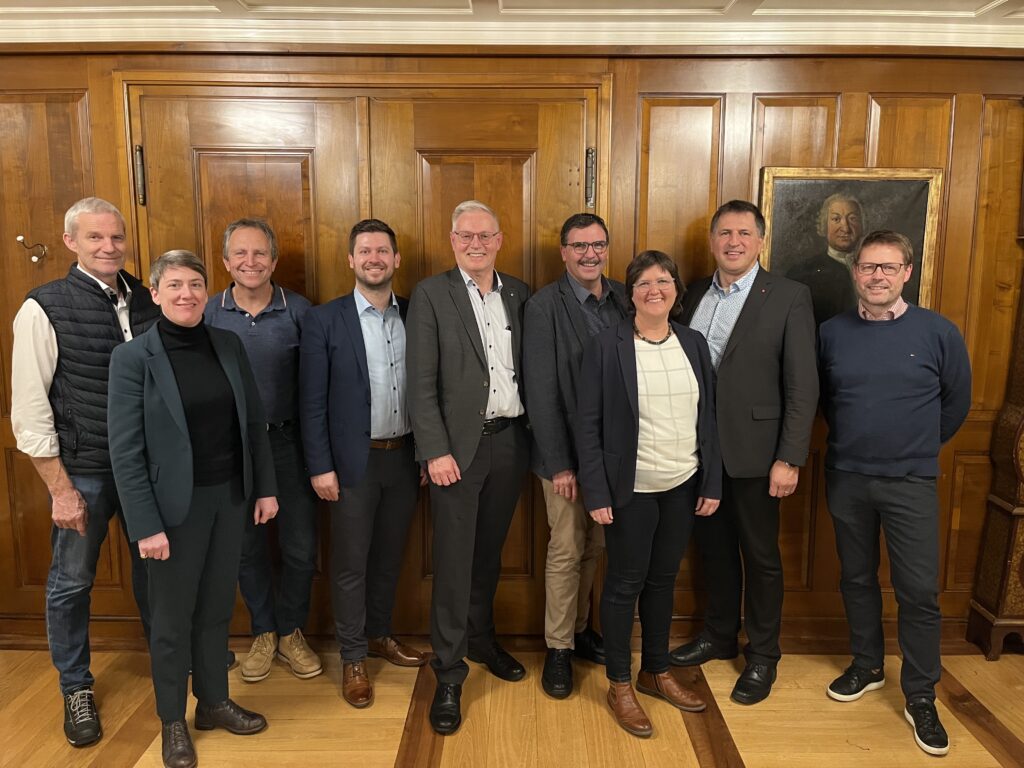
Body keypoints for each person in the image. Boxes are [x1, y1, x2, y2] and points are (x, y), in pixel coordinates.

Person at [108, 251, 278, 768]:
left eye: (196, 284)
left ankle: (213, 702)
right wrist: (145, 525)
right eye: (175, 285)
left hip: (228, 498)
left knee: (216, 609)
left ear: (208, 291)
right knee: (170, 620)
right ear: (154, 294)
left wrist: (265, 489)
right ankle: (172, 720)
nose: (187, 294)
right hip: (169, 512)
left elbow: (253, 425)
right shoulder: (133, 358)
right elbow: (125, 451)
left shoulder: (226, 344)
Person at [11, 197, 160, 747]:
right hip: (86, 472)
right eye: (95, 238)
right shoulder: (43, 307)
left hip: (146, 469)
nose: (109, 247)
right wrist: (61, 490)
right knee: (71, 584)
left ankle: (170, 667)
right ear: (71, 241)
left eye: (116, 237)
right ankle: (75, 687)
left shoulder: (148, 297)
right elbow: (28, 409)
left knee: (156, 575)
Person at [818, 230, 971, 757]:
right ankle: (866, 665)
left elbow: (956, 404)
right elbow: (824, 402)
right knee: (856, 577)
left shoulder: (938, 332)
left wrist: (915, 447)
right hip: (848, 476)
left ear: (908, 271)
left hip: (910, 481)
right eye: (867, 267)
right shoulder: (831, 334)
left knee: (918, 591)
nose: (877, 276)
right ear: (854, 272)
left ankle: (921, 693)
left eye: (888, 267)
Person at [670, 200, 818, 706]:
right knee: (713, 551)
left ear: (760, 241)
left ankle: (763, 655)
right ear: (713, 241)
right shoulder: (691, 294)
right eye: (724, 233)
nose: (734, 242)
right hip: (700, 454)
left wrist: (790, 457)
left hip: (760, 455)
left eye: (744, 233)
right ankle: (717, 634)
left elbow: (803, 385)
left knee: (760, 556)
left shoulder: (789, 297)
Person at [576, 250, 721, 738]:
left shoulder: (694, 344)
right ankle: (619, 683)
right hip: (629, 491)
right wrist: (596, 492)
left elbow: (709, 418)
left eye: (664, 280)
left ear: (676, 290)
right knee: (623, 586)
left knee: (663, 582)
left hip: (681, 486)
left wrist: (711, 481)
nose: (654, 289)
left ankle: (656, 671)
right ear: (629, 292)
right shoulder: (606, 345)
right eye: (643, 282)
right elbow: (588, 426)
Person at [407, 200, 531, 735]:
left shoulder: (519, 294)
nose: (475, 244)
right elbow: (421, 381)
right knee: (454, 563)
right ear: (452, 240)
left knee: (488, 553)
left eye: (485, 235)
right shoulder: (433, 295)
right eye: (465, 236)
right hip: (457, 451)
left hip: (511, 444)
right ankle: (450, 672)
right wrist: (435, 451)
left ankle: (482, 639)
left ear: (500, 239)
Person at [299, 218, 427, 709]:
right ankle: (353, 656)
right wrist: (320, 466)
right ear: (351, 261)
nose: (374, 258)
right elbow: (311, 401)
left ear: (396, 260)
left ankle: (379, 635)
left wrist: (426, 451)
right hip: (351, 464)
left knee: (391, 558)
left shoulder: (417, 314)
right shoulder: (324, 320)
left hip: (403, 459)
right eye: (365, 251)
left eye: (383, 251)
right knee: (350, 565)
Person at [205, 218, 321, 683]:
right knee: (245, 548)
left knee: (300, 545)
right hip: (231, 447)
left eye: (259, 254)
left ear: (273, 261)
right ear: (226, 261)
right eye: (240, 254)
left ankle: (292, 631)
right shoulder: (209, 312)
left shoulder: (301, 312)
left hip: (290, 443)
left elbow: (315, 388)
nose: (250, 263)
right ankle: (264, 631)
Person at [523, 212, 626, 698]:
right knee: (566, 548)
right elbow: (541, 393)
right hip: (562, 456)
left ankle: (582, 630)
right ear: (563, 252)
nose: (590, 254)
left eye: (598, 244)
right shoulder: (544, 307)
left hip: (612, 455)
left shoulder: (625, 297)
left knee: (595, 547)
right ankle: (558, 647)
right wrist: (561, 462)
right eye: (580, 246)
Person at [785, 193, 864, 326]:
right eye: (836, 219)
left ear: (861, 225)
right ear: (824, 226)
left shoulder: (876, 268)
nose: (845, 227)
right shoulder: (802, 273)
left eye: (852, 219)